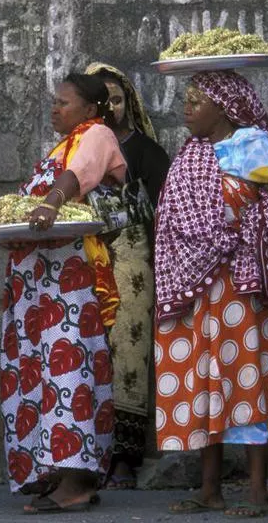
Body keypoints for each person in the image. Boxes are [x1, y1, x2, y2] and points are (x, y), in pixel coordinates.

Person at [154, 71, 268, 517]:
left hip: (240, 282)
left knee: (245, 376)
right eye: (185, 100)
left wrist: (265, 222)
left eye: (195, 101)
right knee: (204, 377)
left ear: (223, 107)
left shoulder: (248, 146)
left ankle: (258, 493)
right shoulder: (193, 152)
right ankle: (209, 491)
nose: (186, 109)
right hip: (194, 286)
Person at [0, 73, 126, 513]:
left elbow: (80, 175)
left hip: (71, 280)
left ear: (91, 110)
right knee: (37, 370)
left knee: (69, 370)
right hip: (40, 280)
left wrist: (51, 202)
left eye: (64, 103)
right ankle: (50, 469)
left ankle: (75, 480)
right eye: (53, 102)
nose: (55, 109)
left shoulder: (96, 134)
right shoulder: (59, 146)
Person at [85, 62, 170, 489]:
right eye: (103, 100)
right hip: (86, 258)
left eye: (117, 100)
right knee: (87, 354)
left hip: (132, 262)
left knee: (129, 354)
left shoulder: (147, 154)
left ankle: (125, 457)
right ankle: (88, 452)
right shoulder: (75, 150)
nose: (111, 108)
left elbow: (167, 217)